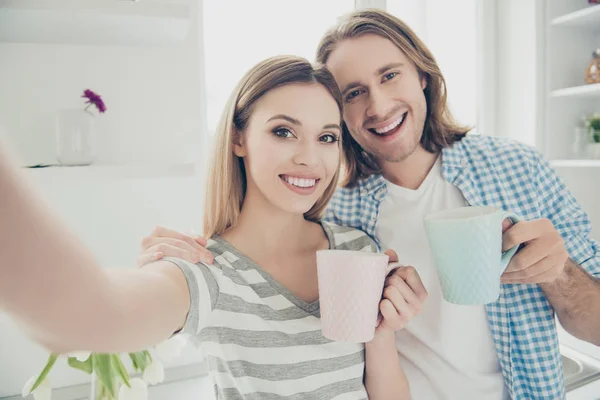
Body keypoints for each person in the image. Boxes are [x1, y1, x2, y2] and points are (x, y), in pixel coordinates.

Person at [141, 9, 600, 400]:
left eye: (389, 75)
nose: (378, 106)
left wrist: (560, 273)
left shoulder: (517, 168)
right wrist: (183, 261)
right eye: (353, 93)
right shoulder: (335, 215)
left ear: (422, 75)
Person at [0, 56, 429, 399]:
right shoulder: (207, 271)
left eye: (327, 137)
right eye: (284, 131)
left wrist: (383, 327)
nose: (309, 158)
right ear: (238, 139)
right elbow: (81, 317)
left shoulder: (358, 250)